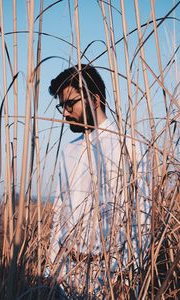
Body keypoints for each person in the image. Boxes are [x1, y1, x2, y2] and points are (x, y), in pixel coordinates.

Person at [47, 64, 150, 298]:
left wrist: (126, 276)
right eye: (61, 106)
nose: (64, 112)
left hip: (110, 276)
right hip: (67, 276)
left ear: (94, 100)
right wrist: (51, 271)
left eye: (69, 103)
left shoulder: (130, 147)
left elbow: (142, 218)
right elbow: (59, 215)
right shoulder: (68, 152)